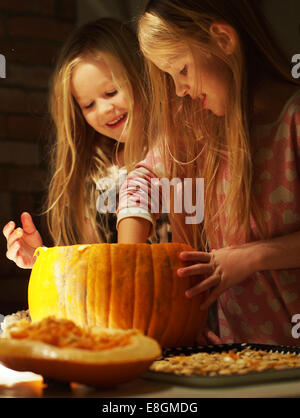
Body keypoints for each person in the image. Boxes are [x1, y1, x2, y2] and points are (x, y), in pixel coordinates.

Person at [117, 0, 300, 345]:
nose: (178, 89)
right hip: (239, 361)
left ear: (222, 39)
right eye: (169, 77)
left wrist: (253, 257)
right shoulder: (198, 132)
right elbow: (140, 182)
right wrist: (129, 265)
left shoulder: (294, 120)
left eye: (181, 70)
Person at [3, 17, 170, 270]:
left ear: (141, 76)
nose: (104, 109)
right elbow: (93, 272)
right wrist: (42, 259)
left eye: (111, 92)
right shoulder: (95, 176)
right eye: (88, 105)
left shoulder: (181, 153)